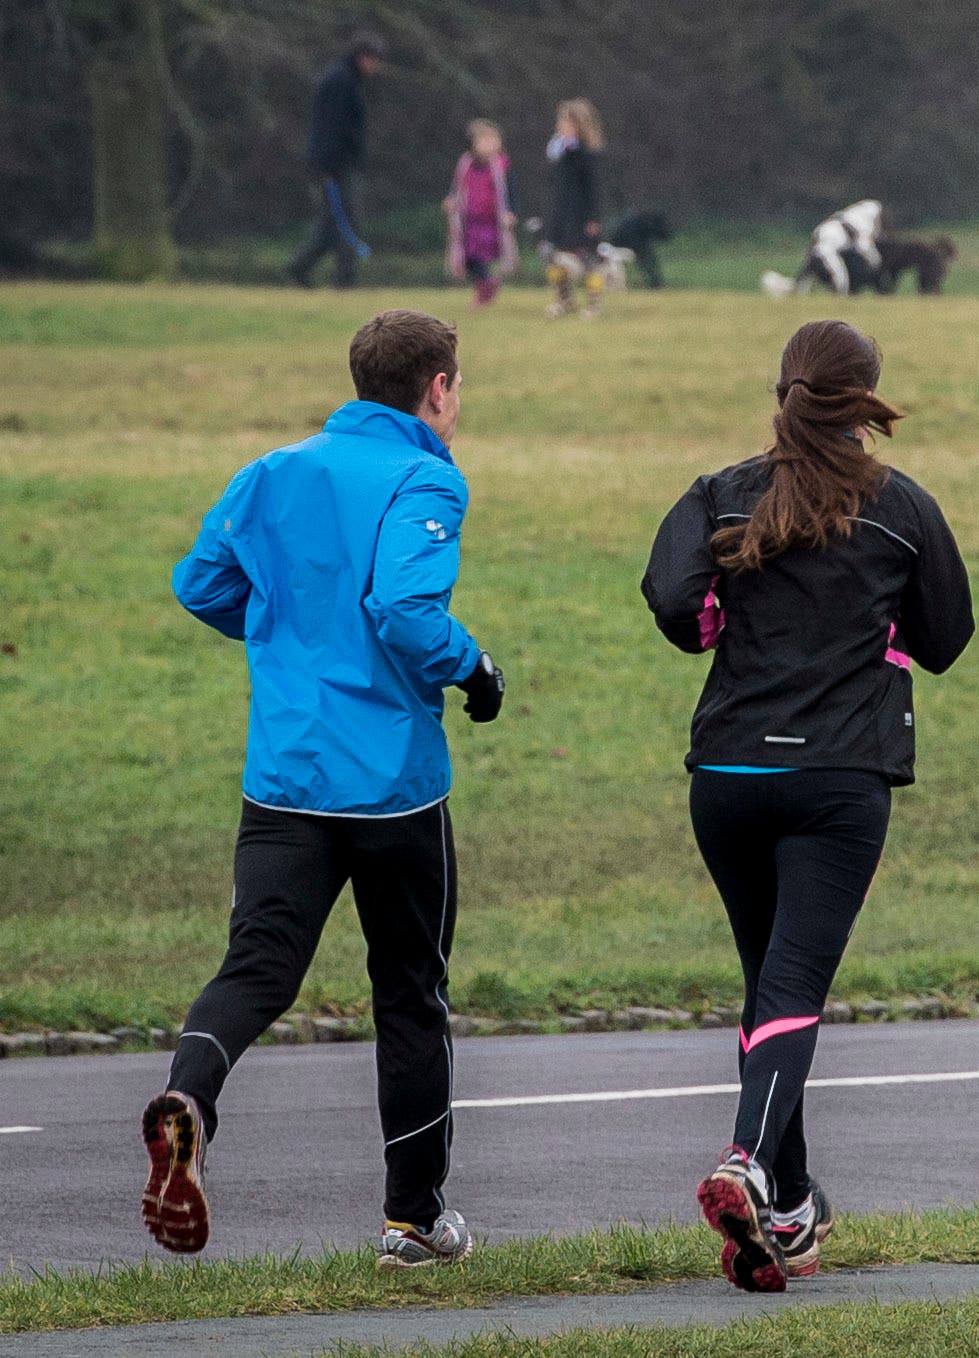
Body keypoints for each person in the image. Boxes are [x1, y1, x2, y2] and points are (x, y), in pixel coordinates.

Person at [142, 310, 507, 1270]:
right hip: (392, 789)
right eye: (456, 385)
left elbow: (199, 584)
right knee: (410, 996)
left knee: (257, 966)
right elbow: (401, 608)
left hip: (286, 779)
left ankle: (189, 1100)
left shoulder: (273, 471)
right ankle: (413, 1220)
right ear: (436, 387)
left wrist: (286, 642)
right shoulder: (426, 476)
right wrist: (474, 671)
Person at [641, 320, 973, 1292]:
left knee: (769, 990)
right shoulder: (901, 508)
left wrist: (725, 616)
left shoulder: (720, 494)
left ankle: (786, 1208)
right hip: (838, 783)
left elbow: (675, 605)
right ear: (865, 398)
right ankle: (746, 1160)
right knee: (792, 986)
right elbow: (946, 636)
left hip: (728, 780)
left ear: (781, 387)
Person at [287, 31, 386, 289]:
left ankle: (300, 267)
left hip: (337, 165)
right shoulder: (340, 83)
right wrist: (324, 167)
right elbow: (328, 128)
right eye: (375, 60)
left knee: (333, 223)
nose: (377, 67)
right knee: (347, 221)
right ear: (363, 58)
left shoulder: (345, 80)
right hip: (334, 167)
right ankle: (344, 280)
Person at [541, 98, 606, 318]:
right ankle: (564, 300)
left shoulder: (587, 154)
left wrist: (594, 218)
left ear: (580, 125)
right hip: (561, 215)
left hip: (581, 216)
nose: (561, 125)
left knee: (588, 259)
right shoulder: (558, 152)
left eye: (567, 122)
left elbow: (595, 189)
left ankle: (593, 305)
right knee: (553, 256)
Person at [444, 120, 518, 307]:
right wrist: (452, 202)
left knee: (484, 254)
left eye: (493, 140)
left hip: (492, 221)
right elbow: (457, 188)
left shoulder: (501, 165)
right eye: (485, 140)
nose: (490, 144)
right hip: (470, 220)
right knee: (469, 256)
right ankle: (486, 284)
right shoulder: (466, 164)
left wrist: (511, 212)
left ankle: (485, 287)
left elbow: (511, 191)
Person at [760, 200, 885, 297]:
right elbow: (864, 247)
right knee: (841, 285)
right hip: (826, 252)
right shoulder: (862, 223)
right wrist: (875, 262)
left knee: (800, 287)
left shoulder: (848, 215)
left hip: (820, 246)